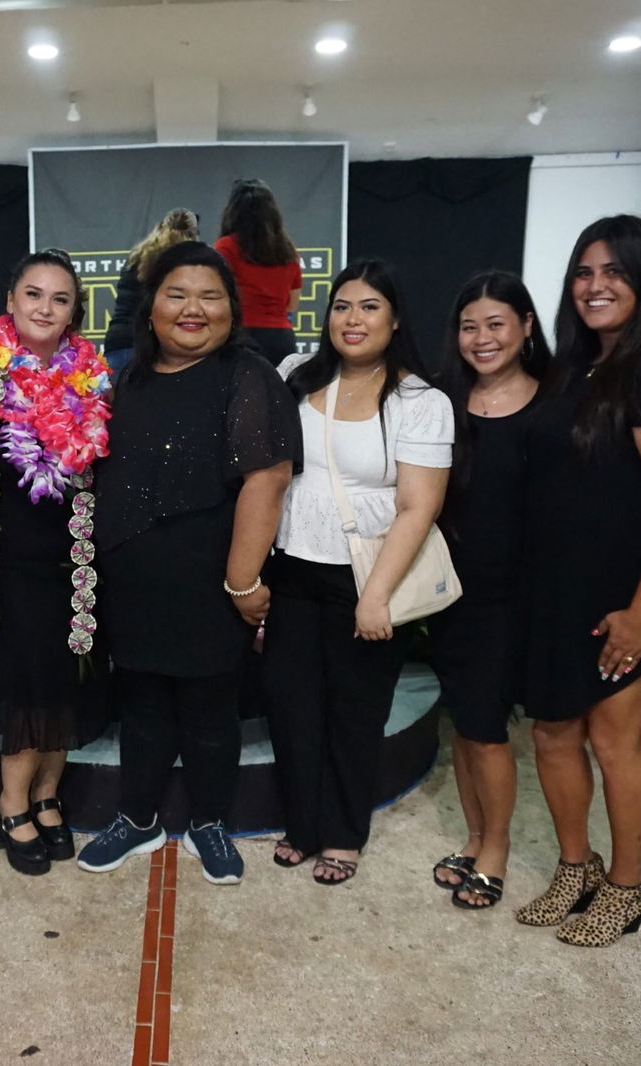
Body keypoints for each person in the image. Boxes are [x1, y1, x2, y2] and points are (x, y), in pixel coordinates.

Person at [517, 215, 641, 947]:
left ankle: (629, 886)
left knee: (613, 740)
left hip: (629, 593)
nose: (594, 286)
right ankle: (578, 868)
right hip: (559, 588)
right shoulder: (577, 364)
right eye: (583, 272)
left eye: (613, 273)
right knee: (551, 732)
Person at [78, 240, 300, 886]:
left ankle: (210, 822)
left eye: (209, 295)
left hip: (212, 580)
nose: (192, 309)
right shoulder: (126, 379)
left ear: (232, 309)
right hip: (131, 579)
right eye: (177, 294)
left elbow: (268, 478)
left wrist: (242, 581)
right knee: (142, 702)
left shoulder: (247, 375)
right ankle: (137, 817)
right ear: (151, 308)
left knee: (209, 711)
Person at [263, 261, 452, 886]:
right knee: (292, 706)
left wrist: (375, 598)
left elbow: (418, 506)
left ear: (394, 319)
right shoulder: (294, 376)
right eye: (342, 306)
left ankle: (344, 833)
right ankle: (303, 823)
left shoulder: (422, 402)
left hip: (368, 575)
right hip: (292, 566)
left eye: (370, 307)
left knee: (354, 711)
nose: (353, 319)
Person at [0, 248, 112, 878]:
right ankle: (11, 801)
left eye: (60, 298)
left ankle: (46, 795)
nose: (45, 307)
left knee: (68, 675)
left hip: (77, 555)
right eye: (33, 294)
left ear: (74, 312)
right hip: (7, 555)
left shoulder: (92, 377)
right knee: (23, 679)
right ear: (11, 301)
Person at [426, 271, 551, 908]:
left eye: (496, 323)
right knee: (466, 725)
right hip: (452, 594)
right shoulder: (443, 403)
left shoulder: (554, 405)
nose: (482, 338)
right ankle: (474, 836)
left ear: (527, 326)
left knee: (488, 727)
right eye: (469, 326)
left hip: (518, 597)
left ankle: (495, 847)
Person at [213, 179, 302, 367]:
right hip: (282, 340)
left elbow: (215, 297)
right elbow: (291, 305)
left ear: (233, 211)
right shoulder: (288, 252)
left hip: (241, 336)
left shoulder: (225, 248)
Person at [103, 208, 198, 373]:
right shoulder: (178, 261)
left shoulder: (137, 255)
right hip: (146, 346)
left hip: (117, 342)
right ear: (192, 234)